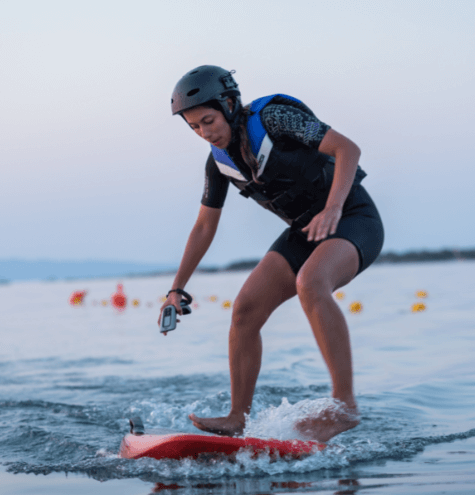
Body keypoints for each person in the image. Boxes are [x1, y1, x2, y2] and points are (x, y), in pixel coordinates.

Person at [158, 65, 384, 442]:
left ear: (230, 104)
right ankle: (237, 417)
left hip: (352, 218)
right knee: (245, 309)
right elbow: (203, 227)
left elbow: (347, 149)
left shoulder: (276, 119)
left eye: (209, 121)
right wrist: (176, 288)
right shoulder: (218, 163)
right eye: (195, 127)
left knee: (312, 283)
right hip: (304, 231)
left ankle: (344, 407)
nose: (205, 133)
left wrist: (332, 208)